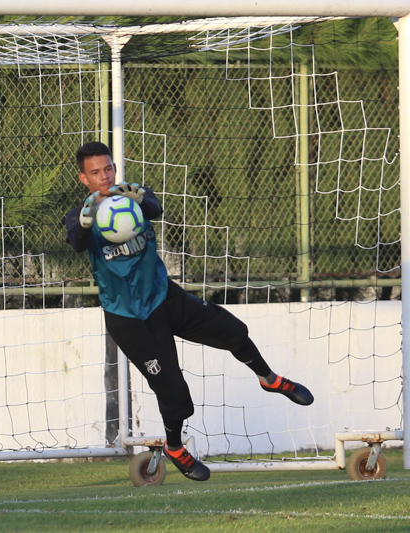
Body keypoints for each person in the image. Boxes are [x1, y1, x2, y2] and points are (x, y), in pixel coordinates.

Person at [64, 141, 313, 482]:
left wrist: (138, 197)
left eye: (108, 169)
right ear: (84, 178)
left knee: (234, 331)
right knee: (175, 393)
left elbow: (155, 207)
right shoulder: (80, 216)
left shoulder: (133, 197)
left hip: (166, 298)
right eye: (96, 173)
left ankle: (270, 380)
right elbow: (77, 241)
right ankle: (175, 447)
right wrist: (87, 218)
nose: (105, 177)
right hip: (129, 319)